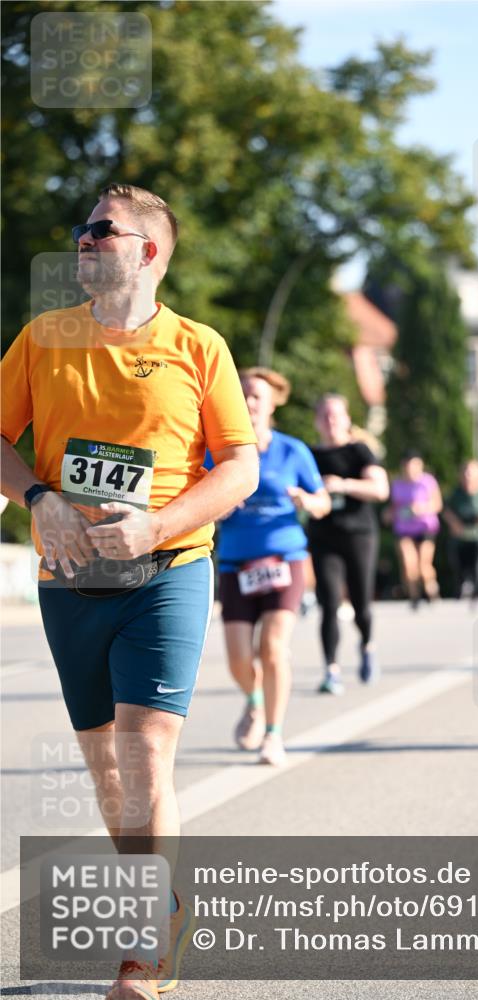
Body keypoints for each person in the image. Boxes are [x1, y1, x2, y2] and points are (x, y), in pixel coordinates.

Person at [0, 183, 259, 1000]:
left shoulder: (198, 346)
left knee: (146, 751)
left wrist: (155, 526)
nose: (81, 240)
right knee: (107, 769)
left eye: (99, 230)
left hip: (166, 570)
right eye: (80, 229)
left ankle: (144, 951)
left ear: (147, 251)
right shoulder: (44, 338)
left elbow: (240, 467)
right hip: (69, 580)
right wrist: (40, 500)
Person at [213, 367, 330, 765]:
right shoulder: (220, 451)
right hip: (235, 562)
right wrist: (219, 506)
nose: (248, 402)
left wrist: (308, 502)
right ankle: (253, 698)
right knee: (238, 657)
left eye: (256, 396)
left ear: (272, 403)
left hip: (284, 558)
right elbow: (201, 500)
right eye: (242, 394)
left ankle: (274, 736)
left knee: (273, 648)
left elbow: (323, 500)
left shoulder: (292, 450)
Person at [308, 393, 389, 694]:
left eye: (336, 415)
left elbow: (380, 489)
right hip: (323, 536)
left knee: (360, 603)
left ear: (346, 419)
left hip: (358, 534)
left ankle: (367, 645)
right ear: (317, 421)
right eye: (325, 415)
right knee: (328, 603)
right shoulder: (310, 455)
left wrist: (342, 485)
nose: (331, 421)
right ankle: (331, 670)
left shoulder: (359, 452)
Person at [387, 451, 442, 608]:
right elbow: (394, 506)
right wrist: (389, 514)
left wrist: (421, 509)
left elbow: (437, 504)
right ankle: (414, 596)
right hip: (404, 528)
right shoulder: (397, 483)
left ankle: (431, 587)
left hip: (425, 527)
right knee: (408, 562)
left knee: (424, 565)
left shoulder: (427, 482)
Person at [442, 460, 478, 602]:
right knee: (459, 566)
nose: (468, 476)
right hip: (460, 537)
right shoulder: (456, 493)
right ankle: (460, 589)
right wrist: (454, 523)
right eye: (466, 473)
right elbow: (446, 510)